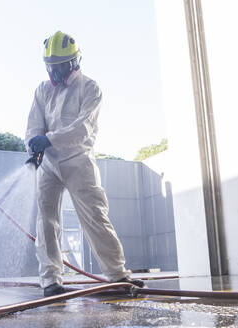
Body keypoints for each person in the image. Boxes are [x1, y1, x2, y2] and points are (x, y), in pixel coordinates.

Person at [25, 31, 145, 297]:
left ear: (75, 62)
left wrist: (49, 139)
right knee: (46, 222)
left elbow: (83, 128)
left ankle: (117, 276)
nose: (55, 72)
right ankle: (51, 281)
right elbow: (34, 124)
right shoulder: (42, 90)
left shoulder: (90, 88)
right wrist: (33, 144)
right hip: (48, 165)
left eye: (61, 66)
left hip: (78, 161)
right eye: (51, 67)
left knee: (95, 217)